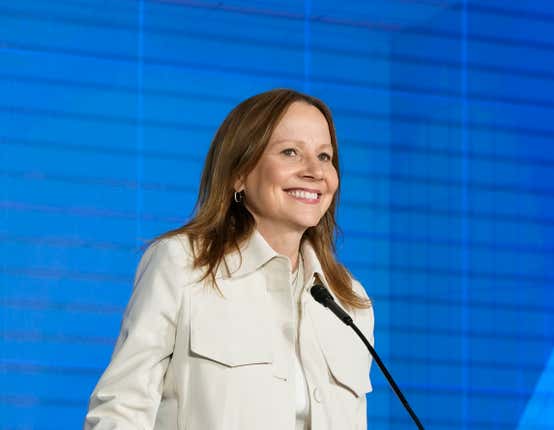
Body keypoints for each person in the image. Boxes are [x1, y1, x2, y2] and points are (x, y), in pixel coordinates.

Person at [84, 88, 374, 430]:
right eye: (290, 152)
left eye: (325, 156)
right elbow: (120, 411)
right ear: (239, 173)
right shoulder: (181, 265)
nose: (314, 171)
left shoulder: (348, 300)